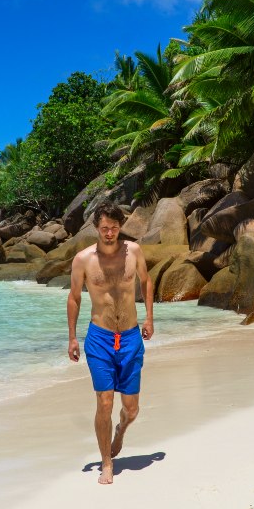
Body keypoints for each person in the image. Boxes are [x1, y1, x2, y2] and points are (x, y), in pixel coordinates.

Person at [67, 202, 154, 485]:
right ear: (96, 227)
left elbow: (146, 281)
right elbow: (75, 298)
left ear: (120, 227)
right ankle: (107, 462)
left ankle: (121, 430)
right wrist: (72, 337)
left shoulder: (134, 252)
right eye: (104, 228)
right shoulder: (83, 259)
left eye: (114, 228)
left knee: (131, 410)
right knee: (104, 402)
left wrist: (149, 319)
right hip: (99, 339)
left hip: (129, 338)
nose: (109, 233)